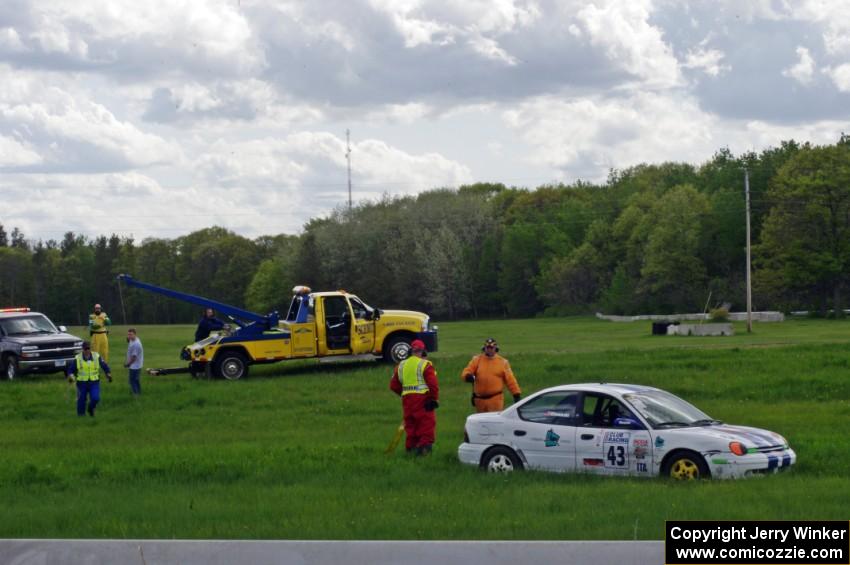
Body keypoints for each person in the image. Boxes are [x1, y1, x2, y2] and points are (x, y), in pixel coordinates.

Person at [389, 339, 439, 456]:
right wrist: (433, 398)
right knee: (426, 425)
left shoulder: (401, 365)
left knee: (411, 426)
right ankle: (424, 452)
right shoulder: (425, 365)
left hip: (407, 400)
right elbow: (433, 385)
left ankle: (410, 451)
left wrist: (404, 393)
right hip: (423, 400)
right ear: (423, 352)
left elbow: (393, 385)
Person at [461, 337, 522, 413]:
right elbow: (466, 372)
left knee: (494, 423)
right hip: (479, 401)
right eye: (487, 347)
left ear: (496, 348)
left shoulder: (503, 362)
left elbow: (511, 380)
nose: (489, 349)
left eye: (491, 347)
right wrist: (467, 376)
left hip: (495, 400)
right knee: (480, 423)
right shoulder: (476, 360)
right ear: (484, 348)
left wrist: (516, 394)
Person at [66, 341, 112, 417]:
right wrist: (71, 376)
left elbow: (104, 366)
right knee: (81, 400)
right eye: (85, 349)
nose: (87, 350)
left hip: (94, 382)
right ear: (82, 349)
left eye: (88, 348)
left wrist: (108, 374)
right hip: (81, 383)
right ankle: (81, 417)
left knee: (95, 398)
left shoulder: (96, 356)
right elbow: (70, 370)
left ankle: (90, 409)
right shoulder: (78, 358)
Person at [124, 328, 144, 395]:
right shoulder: (133, 339)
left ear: (135, 334)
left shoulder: (136, 344)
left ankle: (136, 395)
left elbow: (134, 357)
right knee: (136, 380)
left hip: (135, 366)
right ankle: (139, 392)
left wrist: (128, 364)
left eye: (131, 335)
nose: (129, 336)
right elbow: (129, 340)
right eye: (128, 334)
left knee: (132, 381)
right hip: (137, 364)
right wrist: (128, 339)